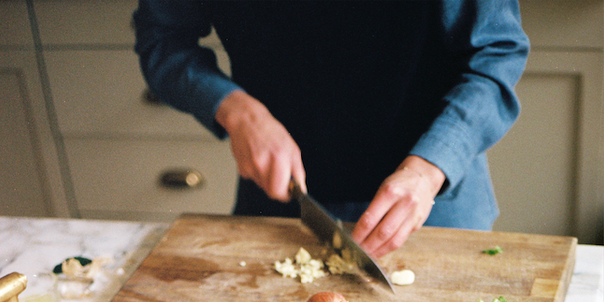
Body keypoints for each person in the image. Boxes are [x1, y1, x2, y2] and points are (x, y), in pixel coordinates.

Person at [133, 1, 529, 258]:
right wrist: (234, 110)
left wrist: (429, 168)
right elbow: (164, 39)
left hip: (436, 201)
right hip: (279, 198)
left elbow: (497, 51)